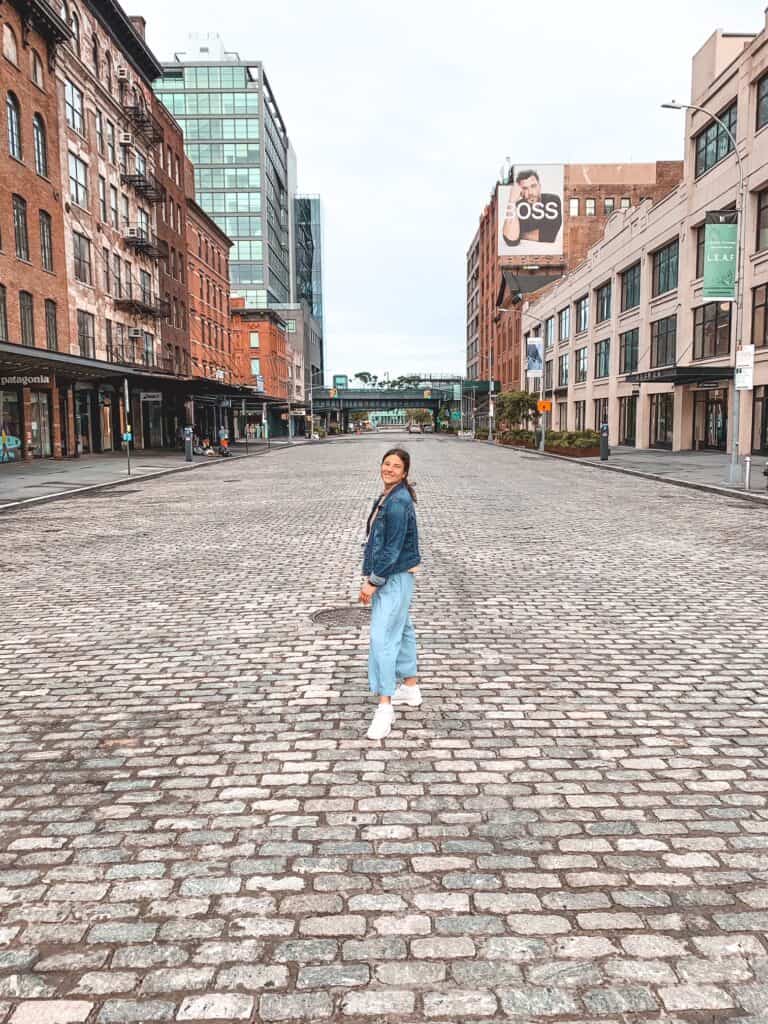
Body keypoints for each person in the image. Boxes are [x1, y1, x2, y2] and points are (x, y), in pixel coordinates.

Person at [359, 448, 422, 740]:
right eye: (386, 463)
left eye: (396, 466)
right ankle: (410, 687)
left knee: (381, 639)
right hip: (399, 577)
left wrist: (373, 581)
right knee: (404, 629)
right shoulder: (391, 496)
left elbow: (392, 548)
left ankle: (385, 707)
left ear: (405, 472)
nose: (390, 469)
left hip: (393, 578)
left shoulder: (397, 502)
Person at [502, 168, 563, 247]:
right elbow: (511, 241)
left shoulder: (552, 200)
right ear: (520, 192)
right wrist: (512, 200)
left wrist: (519, 234)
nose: (530, 192)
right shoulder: (517, 207)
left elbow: (549, 236)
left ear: (539, 186)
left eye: (533, 186)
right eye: (525, 188)